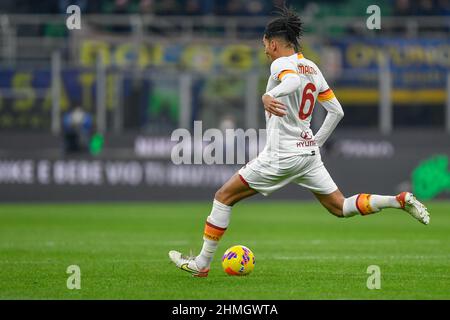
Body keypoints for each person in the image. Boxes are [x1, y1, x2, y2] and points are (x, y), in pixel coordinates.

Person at [169, 7, 430, 277]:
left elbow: (291, 82)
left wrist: (267, 96)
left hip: (281, 155)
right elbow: (336, 111)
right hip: (307, 155)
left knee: (223, 197)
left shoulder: (282, 64)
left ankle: (201, 264)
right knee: (340, 207)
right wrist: (315, 141)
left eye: (265, 46)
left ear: (273, 43)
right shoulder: (312, 67)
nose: (265, 51)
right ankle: (397, 200)